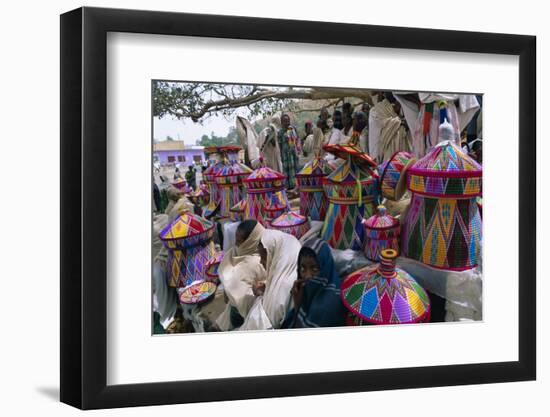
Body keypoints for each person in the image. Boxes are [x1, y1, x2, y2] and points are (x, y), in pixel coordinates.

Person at [240, 229, 301, 330]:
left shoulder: (284, 286)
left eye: (264, 258)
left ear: (277, 256)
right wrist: (265, 290)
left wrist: (260, 296)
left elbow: (268, 323)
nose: (260, 261)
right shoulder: (287, 271)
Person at [282, 238, 347, 328]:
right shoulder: (306, 293)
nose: (307, 276)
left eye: (314, 269)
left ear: (325, 268)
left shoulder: (327, 306)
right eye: (303, 268)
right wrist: (297, 304)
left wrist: (298, 306)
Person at [216, 220, 267, 331]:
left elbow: (247, 301)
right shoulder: (237, 252)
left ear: (251, 241)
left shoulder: (256, 262)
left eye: (240, 241)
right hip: (236, 307)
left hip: (247, 314)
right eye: (236, 240)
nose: (236, 244)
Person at [277, 113, 301, 190]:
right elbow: (280, 145)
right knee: (286, 171)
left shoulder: (293, 129)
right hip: (285, 155)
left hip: (294, 153)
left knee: (295, 169)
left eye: (288, 121)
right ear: (281, 122)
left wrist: (298, 148)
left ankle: (296, 186)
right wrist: (281, 155)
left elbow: (298, 139)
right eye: (285, 121)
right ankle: (289, 187)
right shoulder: (280, 132)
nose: (287, 123)